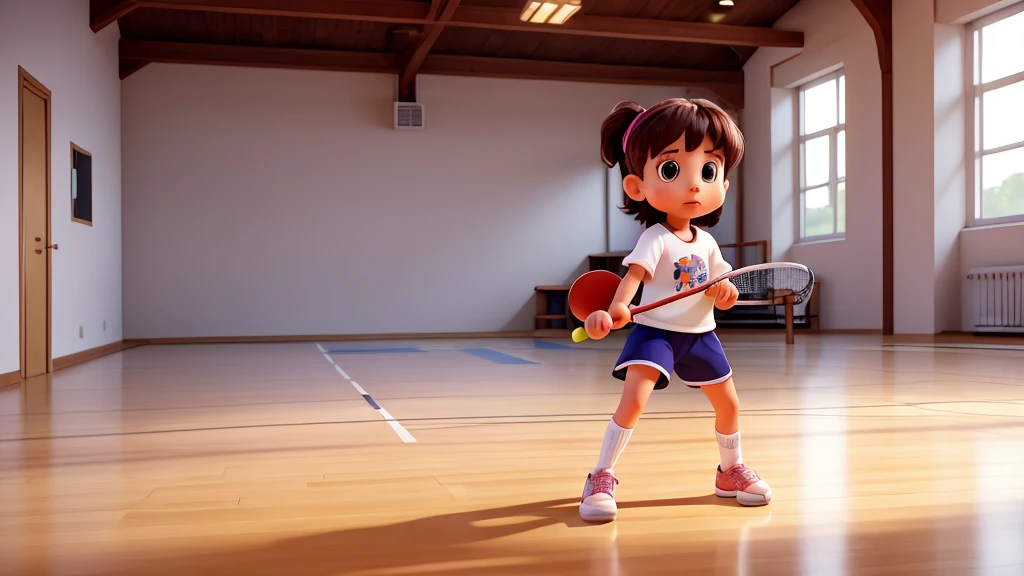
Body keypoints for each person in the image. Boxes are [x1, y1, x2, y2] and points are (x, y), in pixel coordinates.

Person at [579, 98, 771, 522]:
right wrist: (614, 311)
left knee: (730, 406)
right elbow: (632, 279)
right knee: (634, 401)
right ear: (636, 186)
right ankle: (600, 475)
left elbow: (721, 284)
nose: (694, 185)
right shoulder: (656, 237)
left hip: (701, 334)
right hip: (655, 333)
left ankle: (729, 471)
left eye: (709, 170)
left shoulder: (707, 242)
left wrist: (726, 295)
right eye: (672, 169)